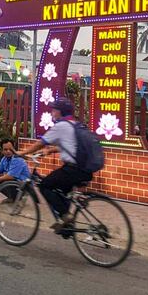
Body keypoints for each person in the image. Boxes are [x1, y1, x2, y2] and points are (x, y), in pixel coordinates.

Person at [17, 97, 93, 230]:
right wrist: (51, 150)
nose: (52, 112)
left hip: (73, 169)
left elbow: (40, 143)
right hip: (85, 168)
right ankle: (66, 225)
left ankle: (65, 217)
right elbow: (71, 146)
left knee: (45, 186)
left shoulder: (61, 126)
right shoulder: (75, 124)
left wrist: (22, 153)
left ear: (60, 112)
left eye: (54, 110)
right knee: (61, 191)